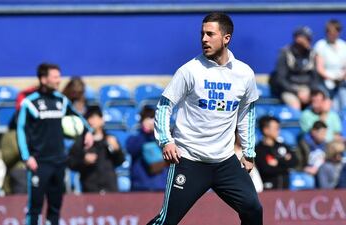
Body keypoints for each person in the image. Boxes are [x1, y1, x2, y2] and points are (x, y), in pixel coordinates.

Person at [147, 12, 262, 225]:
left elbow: (247, 113)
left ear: (226, 38)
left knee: (253, 209)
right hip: (190, 161)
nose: (204, 39)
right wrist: (166, 140)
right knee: (166, 221)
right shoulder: (189, 70)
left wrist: (248, 152)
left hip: (225, 162)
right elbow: (164, 106)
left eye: (210, 34)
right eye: (202, 33)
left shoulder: (245, 74)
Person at [17, 63, 93, 225]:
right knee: (35, 208)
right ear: (44, 79)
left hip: (59, 163)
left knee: (55, 208)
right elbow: (20, 130)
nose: (59, 80)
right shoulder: (30, 103)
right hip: (39, 163)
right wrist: (26, 156)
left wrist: (88, 133)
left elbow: (80, 119)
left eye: (59, 76)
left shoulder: (61, 100)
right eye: (55, 77)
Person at [68, 106, 125, 193]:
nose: (91, 121)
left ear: (102, 120)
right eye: (88, 118)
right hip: (90, 189)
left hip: (110, 188)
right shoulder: (81, 142)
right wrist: (84, 161)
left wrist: (117, 150)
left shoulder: (110, 139)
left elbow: (120, 161)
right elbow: (71, 163)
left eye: (94, 117)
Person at [269, 26, 319, 110]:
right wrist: (297, 92)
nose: (309, 40)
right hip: (289, 89)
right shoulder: (285, 53)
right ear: (298, 38)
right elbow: (280, 79)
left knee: (321, 102)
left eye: (310, 38)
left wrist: (311, 91)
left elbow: (315, 77)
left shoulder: (312, 53)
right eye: (307, 38)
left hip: (307, 89)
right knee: (295, 105)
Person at [127, 106, 169, 192]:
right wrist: (145, 134)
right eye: (147, 118)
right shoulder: (134, 139)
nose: (150, 122)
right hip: (140, 186)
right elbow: (132, 149)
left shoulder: (165, 140)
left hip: (161, 186)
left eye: (153, 118)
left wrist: (154, 134)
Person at [254, 116, 298, 190]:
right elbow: (266, 169)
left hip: (285, 189)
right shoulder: (259, 149)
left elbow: (294, 161)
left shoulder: (282, 145)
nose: (279, 131)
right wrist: (285, 163)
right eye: (276, 128)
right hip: (268, 190)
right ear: (266, 130)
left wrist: (277, 162)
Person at [314, 19, 346, 112]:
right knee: (332, 108)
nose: (332, 35)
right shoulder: (320, 45)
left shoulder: (344, 45)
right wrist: (332, 79)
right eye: (330, 32)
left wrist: (342, 77)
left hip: (342, 82)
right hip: (325, 84)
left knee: (344, 105)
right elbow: (319, 68)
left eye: (335, 32)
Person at [0, 118, 27, 195]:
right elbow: (7, 158)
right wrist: (22, 150)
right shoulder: (9, 136)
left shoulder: (34, 131)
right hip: (19, 171)